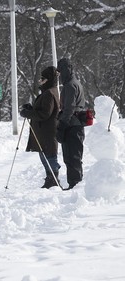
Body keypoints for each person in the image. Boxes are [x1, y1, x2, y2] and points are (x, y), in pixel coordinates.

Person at [20, 66, 61, 189]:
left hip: (47, 131)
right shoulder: (49, 91)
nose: (40, 81)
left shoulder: (49, 93)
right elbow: (43, 110)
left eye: (42, 78)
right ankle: (50, 177)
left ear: (47, 80)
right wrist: (31, 109)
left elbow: (45, 114)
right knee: (45, 154)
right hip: (44, 130)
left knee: (49, 155)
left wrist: (27, 113)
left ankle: (53, 178)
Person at [56, 58, 85, 190]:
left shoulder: (70, 85)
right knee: (74, 156)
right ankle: (74, 183)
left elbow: (69, 108)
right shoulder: (74, 83)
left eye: (60, 71)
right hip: (74, 124)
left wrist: (62, 124)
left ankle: (75, 184)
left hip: (72, 126)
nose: (59, 75)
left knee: (72, 156)